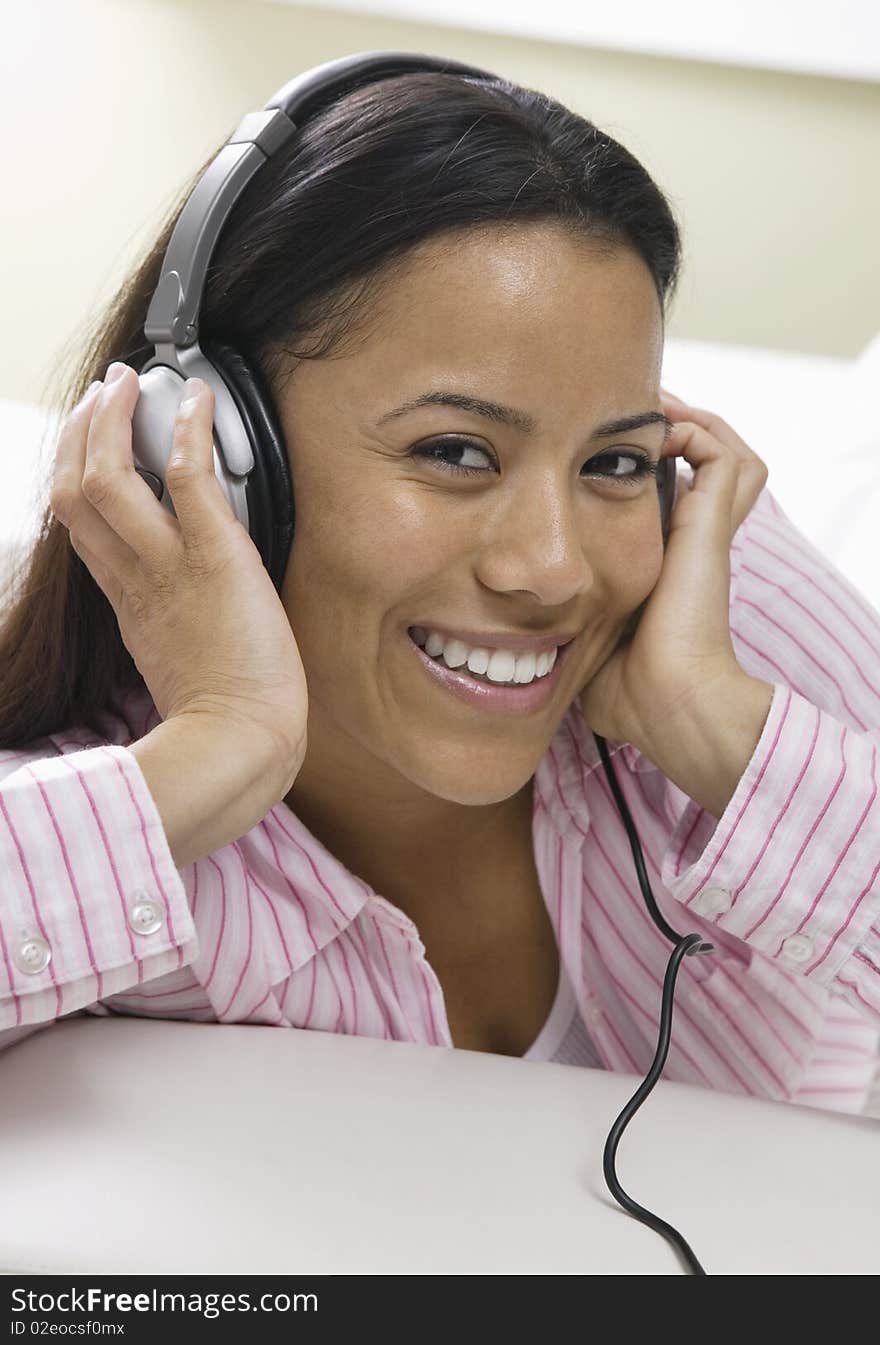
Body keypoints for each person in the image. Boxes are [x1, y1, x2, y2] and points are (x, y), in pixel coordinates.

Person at [1, 66, 878, 1119]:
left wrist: (715, 726)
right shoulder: (120, 825)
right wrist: (223, 743)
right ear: (223, 457)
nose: (554, 569)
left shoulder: (725, 592)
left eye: (613, 461)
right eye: (456, 450)